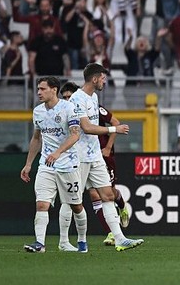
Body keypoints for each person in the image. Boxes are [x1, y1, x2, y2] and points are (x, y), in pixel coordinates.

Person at [65, 63, 143, 251]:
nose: (104, 81)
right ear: (94, 78)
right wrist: (113, 129)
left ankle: (120, 239)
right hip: (80, 157)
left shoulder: (94, 97)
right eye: (102, 77)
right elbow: (86, 127)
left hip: (95, 156)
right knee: (73, 200)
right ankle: (64, 241)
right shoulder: (77, 99)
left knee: (107, 195)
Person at [20, 77, 88, 253]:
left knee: (76, 206)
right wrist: (28, 164)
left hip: (68, 165)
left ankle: (82, 241)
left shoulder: (69, 108)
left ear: (54, 90)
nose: (39, 92)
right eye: (38, 89)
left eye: (42, 89)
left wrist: (58, 153)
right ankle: (40, 243)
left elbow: (75, 135)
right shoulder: (38, 112)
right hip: (46, 165)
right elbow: (36, 138)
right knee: (42, 204)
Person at [60, 82, 130, 247]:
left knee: (110, 192)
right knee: (93, 195)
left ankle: (122, 205)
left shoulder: (94, 107)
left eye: (70, 96)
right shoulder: (66, 113)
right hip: (83, 158)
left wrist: (108, 147)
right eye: (65, 98)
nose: (68, 100)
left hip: (103, 155)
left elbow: (115, 123)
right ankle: (111, 233)